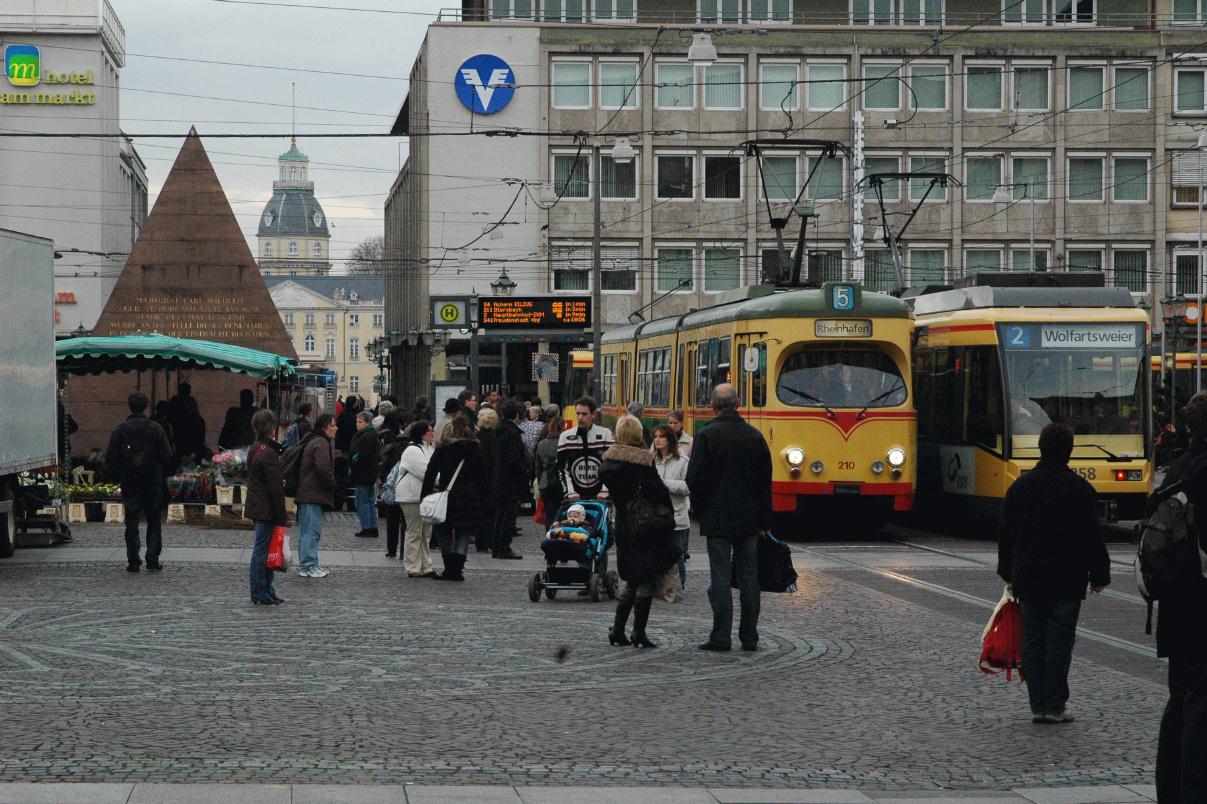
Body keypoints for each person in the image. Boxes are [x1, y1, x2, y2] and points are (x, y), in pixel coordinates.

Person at [997, 421, 1110, 725]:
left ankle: (1038, 705)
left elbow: (1006, 533)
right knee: (1060, 641)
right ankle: (1055, 704)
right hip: (1066, 577)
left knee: (1032, 640)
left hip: (1029, 575)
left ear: (1041, 448)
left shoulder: (1020, 486)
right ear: (1069, 452)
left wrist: (1007, 571)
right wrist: (1100, 574)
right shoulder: (1080, 489)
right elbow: (1092, 536)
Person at [687, 383, 773, 652]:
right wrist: (764, 521)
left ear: (713, 407)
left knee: (720, 579)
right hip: (749, 520)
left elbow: (694, 479)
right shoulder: (755, 436)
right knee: (749, 580)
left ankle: (721, 636)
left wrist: (702, 511)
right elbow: (764, 484)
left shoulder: (706, 436)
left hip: (717, 519)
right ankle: (750, 637)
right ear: (738, 404)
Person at [1156, 391, 1207, 800]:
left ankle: (1170, 788)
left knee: (1180, 698)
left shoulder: (1177, 468)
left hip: (1175, 603)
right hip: (1202, 602)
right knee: (1200, 705)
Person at [600, 415, 678, 649]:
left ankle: (618, 629)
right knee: (645, 579)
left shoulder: (608, 463)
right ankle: (638, 632)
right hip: (645, 525)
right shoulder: (643, 462)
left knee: (632, 580)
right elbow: (658, 493)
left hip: (624, 524)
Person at [104, 392, 174, 573]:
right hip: (152, 480)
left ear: (129, 405)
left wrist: (120, 473)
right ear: (146, 406)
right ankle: (152, 558)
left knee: (132, 521)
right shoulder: (156, 428)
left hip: (130, 479)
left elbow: (111, 457)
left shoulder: (121, 429)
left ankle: (133, 560)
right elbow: (167, 455)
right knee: (154, 519)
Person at [421, 415, 490, 582]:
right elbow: (483, 476)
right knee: (463, 532)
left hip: (447, 495)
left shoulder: (444, 449)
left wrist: (425, 495)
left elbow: (430, 473)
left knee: (443, 530)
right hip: (469, 494)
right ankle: (457, 569)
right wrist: (484, 499)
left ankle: (449, 568)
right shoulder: (474, 449)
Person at [244, 409, 286, 605]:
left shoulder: (256, 448)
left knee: (266, 552)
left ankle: (267, 590)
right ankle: (260, 592)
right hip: (266, 509)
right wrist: (282, 515)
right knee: (262, 553)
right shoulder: (268, 453)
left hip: (259, 506)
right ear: (271, 428)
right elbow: (274, 488)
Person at [393, 422, 437, 578]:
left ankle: (426, 565)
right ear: (421, 434)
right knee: (414, 531)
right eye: (430, 431)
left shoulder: (429, 448)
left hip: (423, 496)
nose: (433, 433)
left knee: (425, 532)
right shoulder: (412, 450)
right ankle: (412, 566)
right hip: (411, 496)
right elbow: (426, 473)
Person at [296, 413, 338, 578]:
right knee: (311, 531)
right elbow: (323, 469)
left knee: (307, 531)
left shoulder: (313, 440)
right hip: (312, 493)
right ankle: (308, 565)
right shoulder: (320, 442)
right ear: (325, 426)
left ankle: (309, 564)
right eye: (333, 425)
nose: (336, 428)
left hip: (308, 493)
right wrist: (332, 483)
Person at [653, 424, 691, 588]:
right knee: (656, 551)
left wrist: (665, 484)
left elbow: (688, 487)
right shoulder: (650, 460)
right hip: (654, 515)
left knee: (677, 553)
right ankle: (658, 583)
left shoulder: (682, 461)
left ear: (669, 440)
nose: (657, 440)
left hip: (676, 514)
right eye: (655, 437)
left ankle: (678, 585)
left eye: (661, 436)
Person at [557, 396, 615, 502]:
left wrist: (605, 490)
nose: (580, 418)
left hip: (601, 497)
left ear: (593, 415)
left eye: (584, 414)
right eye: (578, 413)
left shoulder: (605, 434)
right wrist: (569, 491)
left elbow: (611, 465)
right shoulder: (565, 436)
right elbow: (561, 468)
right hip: (574, 497)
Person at [491, 400, 529, 560]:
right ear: (516, 415)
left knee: (500, 514)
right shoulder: (512, 433)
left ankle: (496, 546)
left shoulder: (498, 430)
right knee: (508, 515)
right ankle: (504, 547)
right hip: (510, 481)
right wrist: (523, 474)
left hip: (498, 478)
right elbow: (515, 459)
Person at [377, 411, 405, 557]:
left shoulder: (385, 437)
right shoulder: (403, 437)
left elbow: (382, 459)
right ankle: (403, 550)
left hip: (390, 478)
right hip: (402, 478)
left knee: (392, 518)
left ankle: (391, 549)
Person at [349, 411, 381, 539]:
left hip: (363, 473)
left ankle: (367, 527)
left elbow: (362, 455)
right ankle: (372, 527)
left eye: (360, 422)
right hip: (369, 473)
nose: (357, 424)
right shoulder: (371, 434)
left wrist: (354, 462)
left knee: (362, 502)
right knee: (369, 501)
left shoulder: (367, 435)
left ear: (367, 422)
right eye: (357, 422)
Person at [476, 407, 500, 553]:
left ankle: (480, 542)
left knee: (481, 513)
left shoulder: (476, 436)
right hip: (492, 479)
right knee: (491, 513)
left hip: (479, 480)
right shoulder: (496, 437)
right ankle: (490, 540)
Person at [534, 416, 564, 525]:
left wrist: (540, 481)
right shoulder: (563, 443)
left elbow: (538, 468)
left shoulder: (541, 444)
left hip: (545, 483)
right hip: (561, 483)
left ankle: (549, 535)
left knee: (549, 515)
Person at [175, 396, 209, 465]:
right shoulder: (199, 420)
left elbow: (178, 437)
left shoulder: (180, 420)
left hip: (184, 453)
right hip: (193, 453)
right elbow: (201, 438)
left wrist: (182, 454)